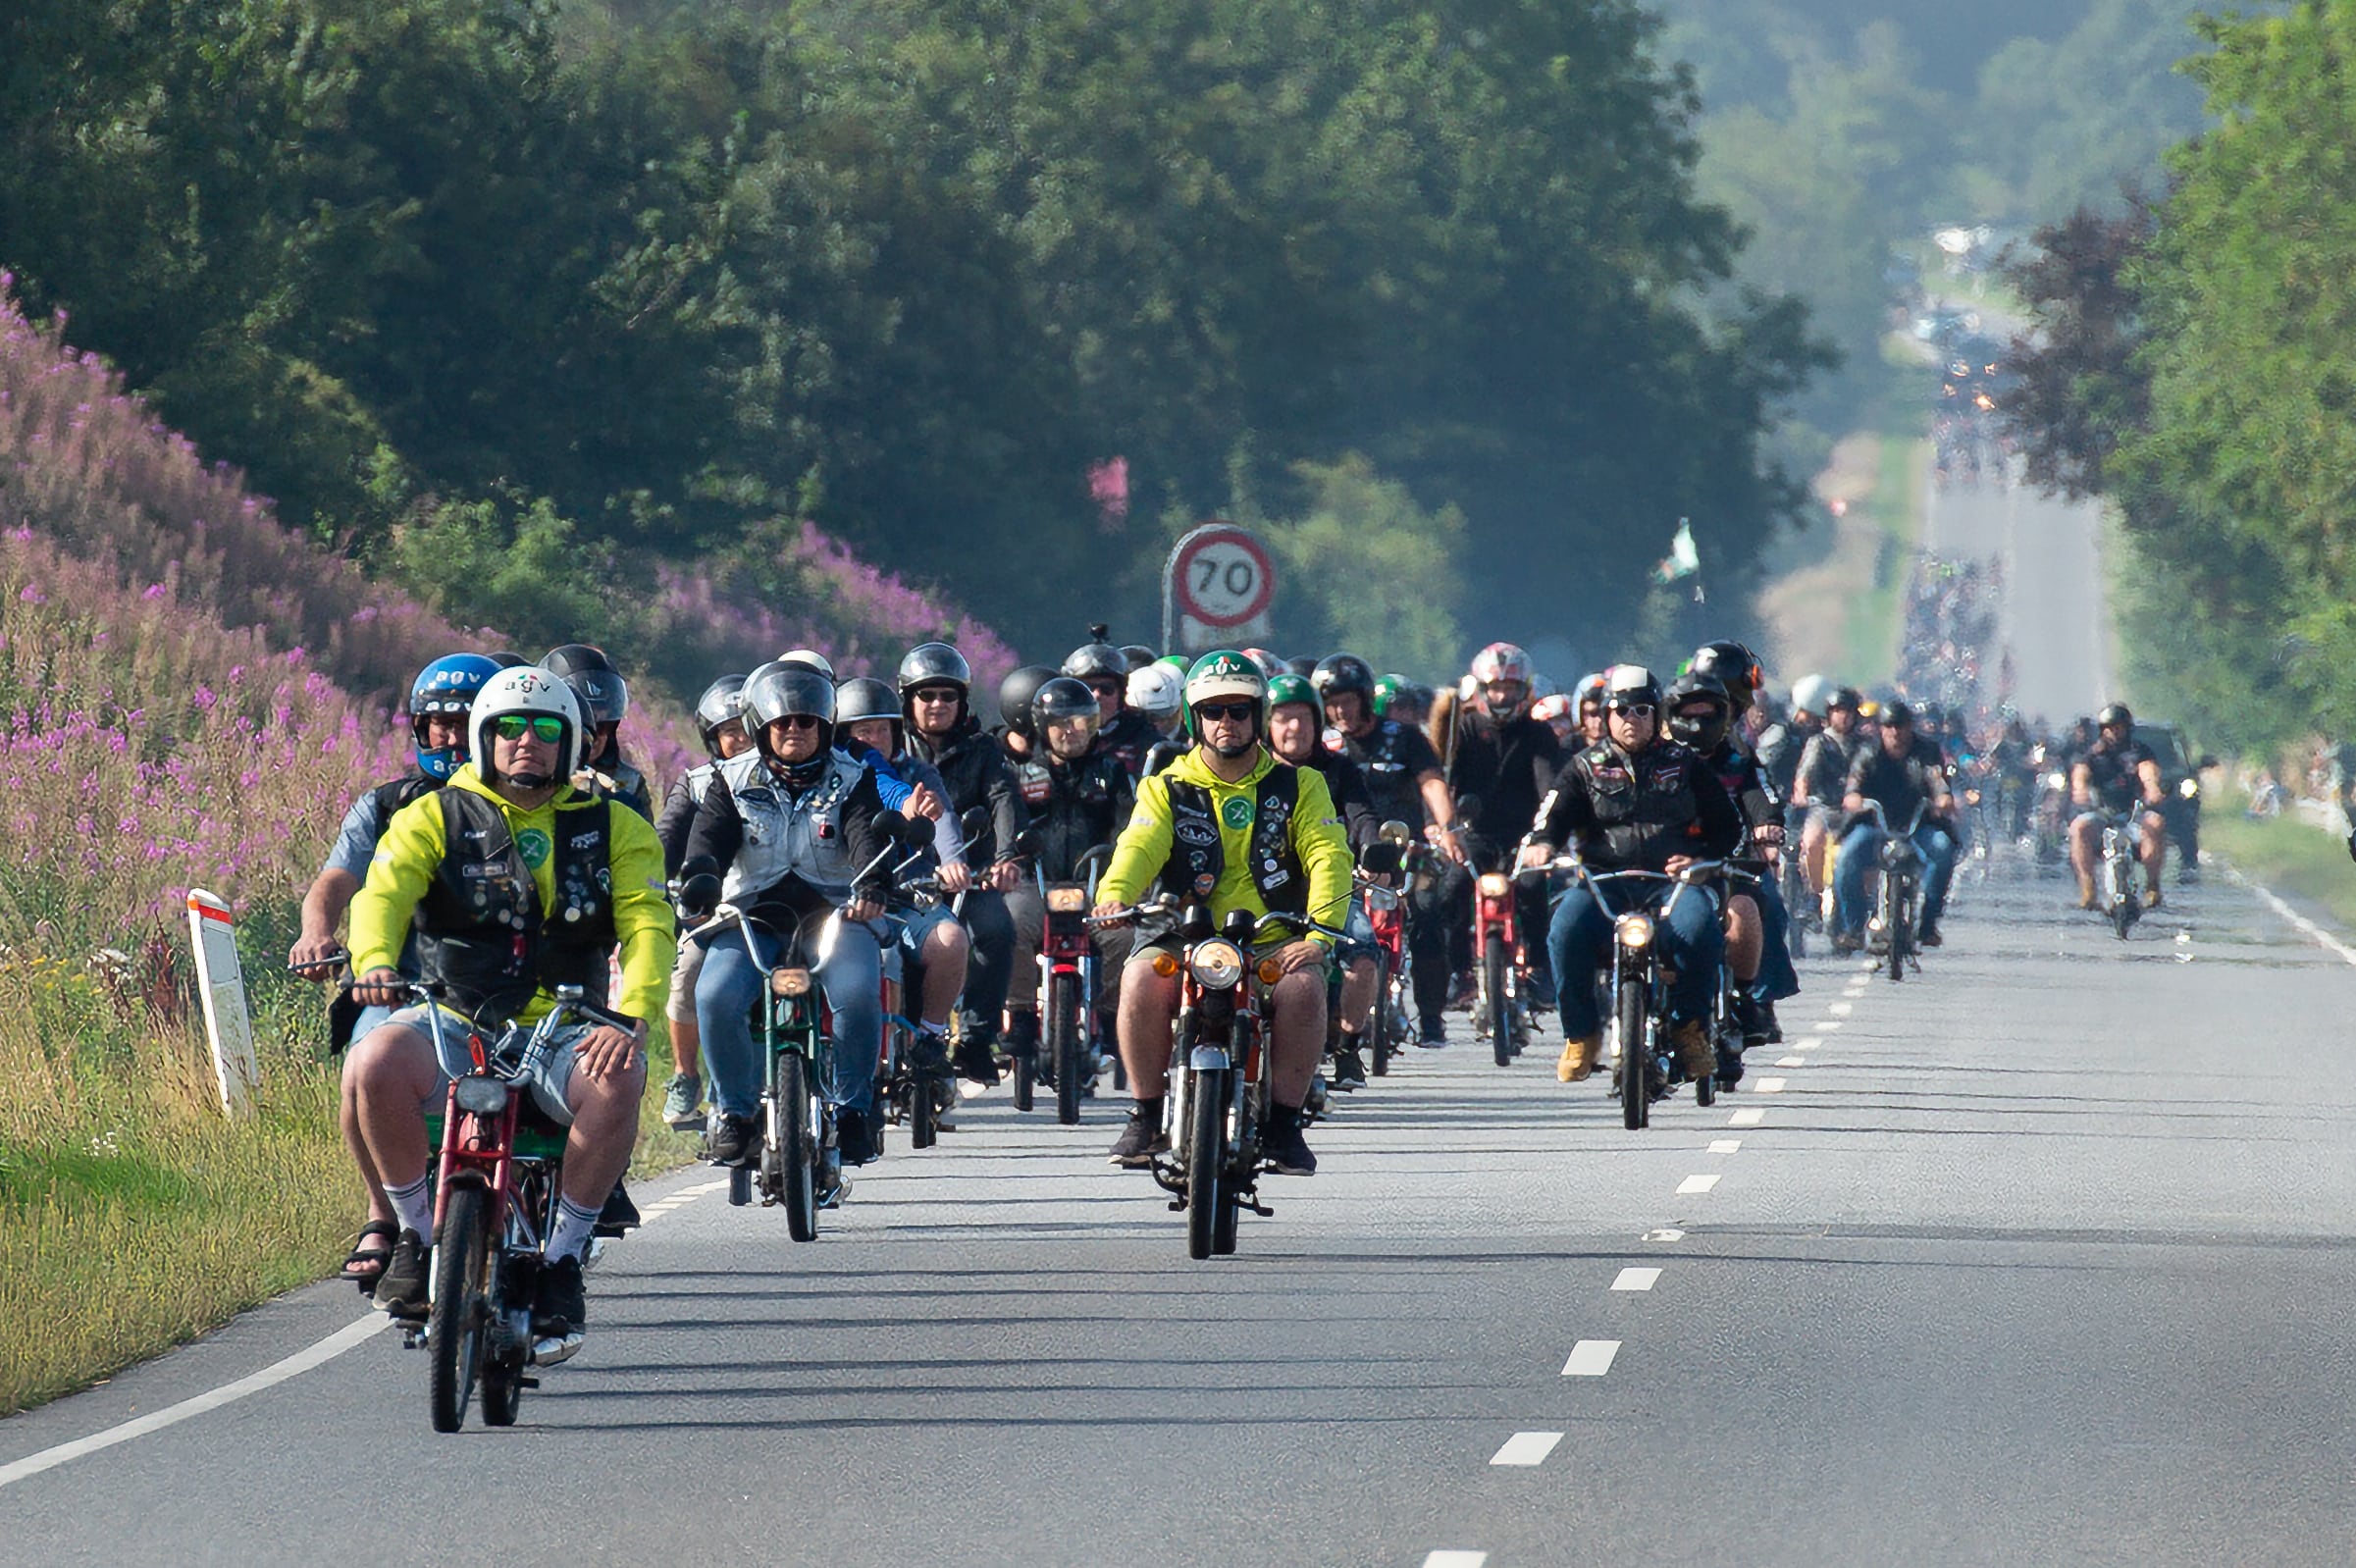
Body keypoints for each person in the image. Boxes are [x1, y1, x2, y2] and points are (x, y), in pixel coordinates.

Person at [342, 666, 673, 1343]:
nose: (528, 741)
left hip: (566, 1026)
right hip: (452, 1019)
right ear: (481, 738)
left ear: (572, 742)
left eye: (546, 728)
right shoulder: (431, 815)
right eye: (509, 728)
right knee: (373, 1060)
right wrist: (373, 962)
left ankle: (562, 1260)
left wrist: (632, 1013)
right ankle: (415, 1235)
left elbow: (648, 922)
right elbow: (383, 892)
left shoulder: (617, 824)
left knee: (620, 1077)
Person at [1094, 652, 1354, 1176]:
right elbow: (1139, 845)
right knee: (1139, 978)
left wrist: (1321, 934)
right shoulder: (1165, 786)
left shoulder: (1302, 785)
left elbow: (1329, 856)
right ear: (1195, 719)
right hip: (1183, 933)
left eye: (1239, 709)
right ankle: (1146, 1115)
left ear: (1259, 716)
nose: (1226, 722)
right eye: (1213, 711)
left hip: (1273, 938)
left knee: (1305, 988)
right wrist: (1116, 895)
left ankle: (1285, 1124)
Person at [290, 652, 500, 1288]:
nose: (451, 738)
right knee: (362, 1067)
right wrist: (317, 931)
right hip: (401, 988)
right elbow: (335, 881)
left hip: (502, 990)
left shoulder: (525, 804)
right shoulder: (384, 807)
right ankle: (384, 1215)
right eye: (439, 723)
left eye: (465, 723)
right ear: (419, 729)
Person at [684, 661, 897, 1169]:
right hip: (751, 916)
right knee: (713, 995)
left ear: (825, 725)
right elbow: (707, 841)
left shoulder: (855, 777)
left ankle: (854, 1110)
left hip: (836, 915)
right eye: (783, 722)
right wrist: (701, 881)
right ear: (762, 726)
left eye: (806, 721)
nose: (794, 730)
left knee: (859, 994)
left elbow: (866, 835)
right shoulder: (729, 780)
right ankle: (735, 1113)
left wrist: (872, 883)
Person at [1517, 665, 1740, 1085]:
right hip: (1604, 884)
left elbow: (1728, 827)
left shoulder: (1686, 763)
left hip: (1671, 886)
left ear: (1657, 715)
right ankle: (1581, 1037)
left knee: (1701, 931)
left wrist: (1699, 858)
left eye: (1641, 710)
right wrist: (1542, 844)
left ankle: (1690, 1030)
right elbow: (1552, 817)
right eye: (1621, 710)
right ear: (1606, 716)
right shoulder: (1583, 767)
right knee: (1564, 930)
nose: (1631, 719)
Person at [1314, 652, 1467, 1046]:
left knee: (1428, 916)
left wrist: (1448, 828)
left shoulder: (1404, 738)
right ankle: (1331, 1016)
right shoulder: (1323, 747)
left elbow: (1431, 782)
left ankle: (1430, 1017)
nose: (1340, 711)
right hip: (1343, 857)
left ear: (1366, 698)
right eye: (1331, 703)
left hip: (1407, 853)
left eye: (1347, 701)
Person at [901, 641, 1029, 1083]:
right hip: (904, 875)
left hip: (970, 875)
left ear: (963, 701)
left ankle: (974, 1040)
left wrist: (1005, 857)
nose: (937, 704)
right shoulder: (894, 750)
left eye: (948, 695)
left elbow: (1003, 800)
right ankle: (897, 1037)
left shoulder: (983, 749)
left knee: (996, 930)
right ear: (908, 700)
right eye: (926, 695)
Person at [1004, 676, 1136, 1078]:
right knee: (1011, 923)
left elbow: (1130, 829)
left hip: (1094, 885)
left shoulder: (1111, 772)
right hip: (1035, 883)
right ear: (1042, 727)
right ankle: (1020, 1014)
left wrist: (1122, 875)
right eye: (1060, 722)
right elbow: (1005, 825)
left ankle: (1110, 1019)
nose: (1069, 731)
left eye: (1079, 721)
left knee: (1122, 936)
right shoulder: (1021, 774)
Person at [1665, 671, 1798, 1057]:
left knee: (1756, 912)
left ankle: (1751, 998)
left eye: (1707, 715)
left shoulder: (1738, 759)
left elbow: (1761, 794)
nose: (1698, 725)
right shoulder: (1657, 759)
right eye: (1689, 716)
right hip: (1664, 870)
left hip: (1727, 864)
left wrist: (1768, 824)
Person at [1268, 673, 1386, 1087]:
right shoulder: (1251, 772)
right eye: (1283, 718)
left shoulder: (1339, 769)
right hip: (1264, 890)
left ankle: (1347, 1047)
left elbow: (1362, 815)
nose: (1294, 728)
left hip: (1331, 885)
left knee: (1364, 954)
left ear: (1319, 724)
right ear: (1265, 723)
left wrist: (1373, 851)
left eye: (1303, 718)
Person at [1436, 642, 1563, 1015]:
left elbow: (1550, 787)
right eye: (1495, 688)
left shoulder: (1539, 734)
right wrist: (1444, 828)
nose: (1502, 696)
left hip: (1525, 837)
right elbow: (1442, 782)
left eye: (1510, 688)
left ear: (1524, 691)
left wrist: (1545, 836)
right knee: (1451, 888)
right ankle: (1459, 972)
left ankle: (1538, 968)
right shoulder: (1465, 729)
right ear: (1482, 689)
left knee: (1533, 887)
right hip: (1474, 833)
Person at [654, 673, 753, 1130]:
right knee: (688, 975)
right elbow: (666, 840)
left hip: (776, 909)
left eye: (746, 728)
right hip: (715, 913)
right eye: (729, 732)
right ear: (712, 739)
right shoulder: (696, 784)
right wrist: (655, 882)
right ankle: (685, 1075)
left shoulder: (793, 778)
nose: (741, 739)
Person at [1833, 700, 1958, 951]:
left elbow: (1937, 780)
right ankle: (1853, 927)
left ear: (1910, 727)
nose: (1895, 732)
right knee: (1846, 858)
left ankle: (1928, 924)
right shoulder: (1868, 752)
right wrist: (1854, 798)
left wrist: (1943, 798)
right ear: (1880, 728)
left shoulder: (1926, 751)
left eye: (1900, 726)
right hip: (1875, 825)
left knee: (1944, 850)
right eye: (1889, 726)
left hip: (1918, 826)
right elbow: (1854, 785)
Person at [2068, 702, 2168, 909]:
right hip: (2101, 814)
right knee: (2079, 827)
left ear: (2127, 728)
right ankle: (2088, 887)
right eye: (2109, 728)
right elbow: (2081, 773)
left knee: (2156, 823)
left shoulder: (2140, 752)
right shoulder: (2092, 754)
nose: (2114, 732)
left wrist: (2152, 789)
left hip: (2135, 814)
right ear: (2102, 730)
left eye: (2118, 727)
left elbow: (2147, 771)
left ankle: (2152, 886)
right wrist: (2080, 790)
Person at [541, 644, 653, 819]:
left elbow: (645, 834)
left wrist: (607, 800)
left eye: (604, 725)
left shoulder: (629, 784)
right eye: (583, 727)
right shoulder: (527, 770)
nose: (596, 737)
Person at [1790, 686, 1864, 912]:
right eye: (1838, 711)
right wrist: (1801, 794)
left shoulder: (1865, 745)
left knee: (1873, 847)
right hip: (1823, 807)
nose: (1844, 716)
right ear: (1829, 714)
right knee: (1812, 843)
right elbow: (1804, 774)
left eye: (1848, 711)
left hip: (1857, 811)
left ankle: (1869, 897)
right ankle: (1815, 893)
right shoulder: (1819, 742)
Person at [1064, 632, 1163, 776]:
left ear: (1121, 695)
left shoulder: (1146, 739)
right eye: (1088, 688)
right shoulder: (1057, 736)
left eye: (1107, 689)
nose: (1097, 696)